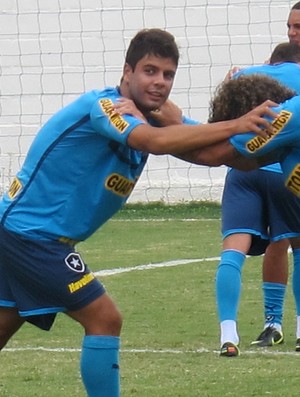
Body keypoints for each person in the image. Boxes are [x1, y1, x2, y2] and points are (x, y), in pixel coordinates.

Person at [0, 28, 274, 396]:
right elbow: (153, 142)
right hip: (31, 236)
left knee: (4, 324)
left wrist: (282, 141)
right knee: (105, 318)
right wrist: (237, 123)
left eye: (168, 74)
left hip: (30, 235)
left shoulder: (154, 117)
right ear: (127, 71)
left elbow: (213, 155)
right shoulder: (106, 107)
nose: (159, 82)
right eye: (149, 71)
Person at [215, 41, 300, 357]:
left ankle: (230, 333)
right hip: (283, 170)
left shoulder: (246, 74)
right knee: (296, 245)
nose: (294, 32)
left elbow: (222, 119)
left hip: (243, 166)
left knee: (233, 250)